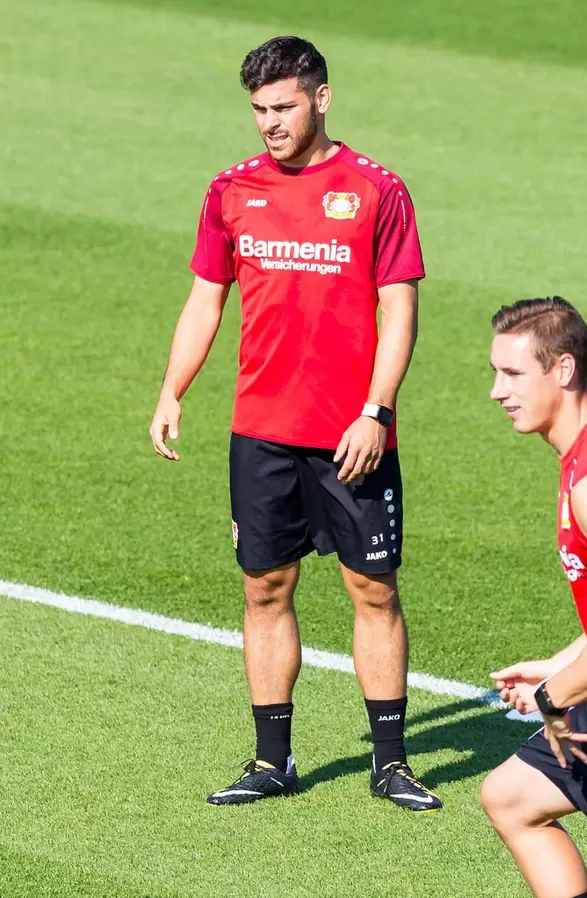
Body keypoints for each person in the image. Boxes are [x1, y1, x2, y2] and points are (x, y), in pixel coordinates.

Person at [150, 35, 440, 811]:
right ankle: (272, 760)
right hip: (263, 433)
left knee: (372, 589)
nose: (269, 124)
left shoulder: (378, 190)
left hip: (354, 432)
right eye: (258, 110)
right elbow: (207, 296)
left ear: (321, 97)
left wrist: (376, 411)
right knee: (265, 588)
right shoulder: (230, 190)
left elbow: (400, 308)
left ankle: (391, 763)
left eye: (282, 107)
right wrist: (173, 388)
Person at [482, 296, 587, 898]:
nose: (498, 391)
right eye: (495, 373)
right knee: (511, 797)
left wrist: (551, 696)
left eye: (513, 374)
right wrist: (559, 662)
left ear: (563, 370)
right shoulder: (578, 459)